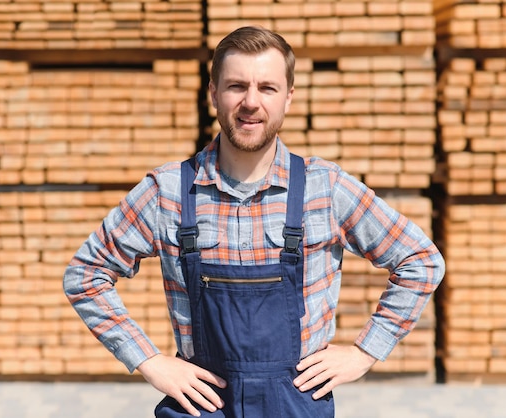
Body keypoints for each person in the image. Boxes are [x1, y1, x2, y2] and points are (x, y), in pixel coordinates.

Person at [63, 26, 445, 417]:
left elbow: (421, 260)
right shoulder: (167, 192)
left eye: (267, 88)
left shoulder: (325, 188)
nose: (250, 102)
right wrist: (149, 361)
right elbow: (85, 275)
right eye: (236, 86)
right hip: (202, 403)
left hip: (296, 402)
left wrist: (365, 352)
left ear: (288, 98)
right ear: (213, 93)